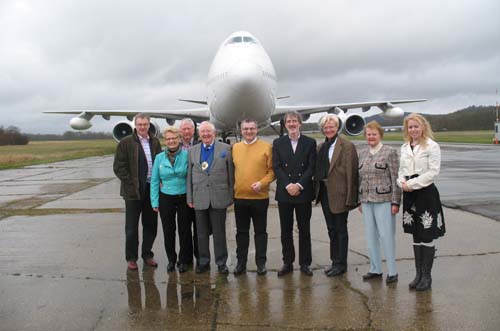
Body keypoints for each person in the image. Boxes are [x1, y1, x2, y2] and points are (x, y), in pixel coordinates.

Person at [397, 113, 445, 291]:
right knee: (416, 233)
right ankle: (418, 274)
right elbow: (401, 170)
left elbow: (433, 172)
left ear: (423, 127)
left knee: (426, 233)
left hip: (425, 193)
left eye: (416, 126)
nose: (413, 129)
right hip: (409, 194)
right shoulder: (404, 147)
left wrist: (412, 184)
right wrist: (401, 182)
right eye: (410, 127)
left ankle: (427, 276)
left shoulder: (432, 146)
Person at [113, 113, 162, 270]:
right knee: (132, 228)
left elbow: (160, 163)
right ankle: (131, 257)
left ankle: (147, 254)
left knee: (151, 225)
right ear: (135, 125)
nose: (142, 127)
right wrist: (131, 183)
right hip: (133, 192)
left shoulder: (155, 142)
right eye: (139, 124)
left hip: (151, 190)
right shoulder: (126, 143)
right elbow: (118, 167)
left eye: (145, 124)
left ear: (149, 125)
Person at [186, 121, 234, 274]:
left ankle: (221, 263)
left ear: (215, 133)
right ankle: (203, 261)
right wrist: (189, 197)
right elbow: (189, 176)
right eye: (203, 132)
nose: (206, 134)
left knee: (219, 233)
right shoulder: (192, 151)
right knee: (201, 233)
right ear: (199, 134)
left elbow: (231, 175)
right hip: (199, 197)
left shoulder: (225, 149)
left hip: (219, 197)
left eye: (209, 131)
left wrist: (231, 196)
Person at [273, 111, 316, 276]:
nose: (291, 124)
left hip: (303, 192)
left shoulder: (309, 142)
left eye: (294, 121)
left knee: (304, 229)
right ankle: (287, 262)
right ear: (285, 125)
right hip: (284, 193)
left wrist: (298, 184)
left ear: (300, 123)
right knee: (286, 230)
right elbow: (277, 167)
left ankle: (305, 263)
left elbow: (311, 167)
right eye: (288, 121)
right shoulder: (278, 143)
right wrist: (288, 185)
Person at [314, 114, 358, 277]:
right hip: (325, 193)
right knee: (331, 229)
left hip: (340, 194)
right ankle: (334, 261)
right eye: (326, 127)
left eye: (332, 126)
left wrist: (351, 198)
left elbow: (352, 174)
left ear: (337, 127)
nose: (329, 129)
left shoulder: (346, 146)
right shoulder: (321, 147)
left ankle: (341, 264)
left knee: (340, 229)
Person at [358, 121, 401, 284]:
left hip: (384, 200)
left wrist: (396, 202)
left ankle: (392, 271)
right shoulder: (362, 153)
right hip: (367, 201)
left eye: (374, 134)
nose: (371, 137)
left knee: (386, 236)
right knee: (370, 236)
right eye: (368, 134)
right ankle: (375, 269)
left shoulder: (390, 152)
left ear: (380, 135)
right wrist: (359, 200)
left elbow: (396, 177)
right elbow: (359, 178)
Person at [232, 119, 275, 276]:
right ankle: (241, 263)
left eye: (251, 128)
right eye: (245, 129)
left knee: (260, 232)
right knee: (241, 233)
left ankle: (261, 263)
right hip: (240, 198)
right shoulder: (235, 148)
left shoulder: (266, 147)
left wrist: (262, 183)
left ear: (257, 130)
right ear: (241, 131)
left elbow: (272, 171)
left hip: (260, 198)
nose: (249, 131)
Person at [150, 126, 192, 273]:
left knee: (184, 230)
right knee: (168, 230)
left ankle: (183, 260)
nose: (171, 141)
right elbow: (155, 181)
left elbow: (192, 177)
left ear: (179, 139)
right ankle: (171, 260)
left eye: (174, 138)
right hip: (166, 197)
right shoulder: (159, 158)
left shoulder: (187, 155)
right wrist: (154, 202)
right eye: (168, 139)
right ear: (165, 141)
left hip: (183, 197)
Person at [178, 118, 200, 266]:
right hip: (181, 193)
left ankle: (201, 258)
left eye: (189, 129)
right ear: (180, 131)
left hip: (198, 192)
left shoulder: (200, 144)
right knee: (184, 228)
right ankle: (185, 259)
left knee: (199, 228)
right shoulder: (174, 145)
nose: (186, 132)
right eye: (184, 129)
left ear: (194, 130)